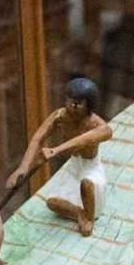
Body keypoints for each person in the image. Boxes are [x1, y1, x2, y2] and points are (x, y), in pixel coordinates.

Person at [8, 78, 113, 237]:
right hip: (73, 167)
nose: (72, 106)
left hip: (91, 166)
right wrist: (23, 167)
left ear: (89, 105)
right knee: (52, 203)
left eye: (78, 104)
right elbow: (38, 138)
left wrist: (56, 150)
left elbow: (83, 140)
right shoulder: (59, 116)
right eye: (69, 101)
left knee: (87, 185)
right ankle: (79, 213)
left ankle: (88, 217)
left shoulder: (98, 125)